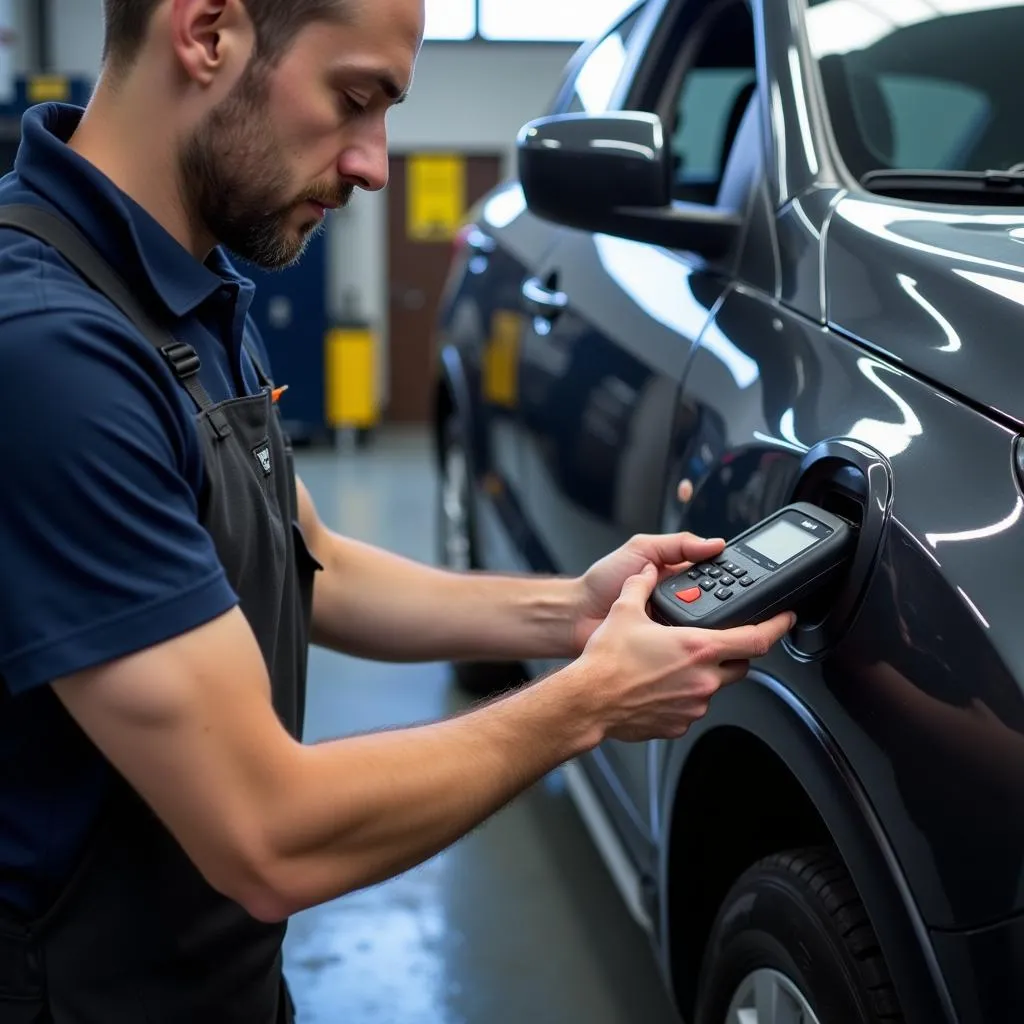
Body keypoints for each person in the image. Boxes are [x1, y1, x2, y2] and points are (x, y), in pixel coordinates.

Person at [0, 0, 795, 1021]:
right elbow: (265, 832)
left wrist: (572, 613)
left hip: (218, 977)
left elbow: (306, 550)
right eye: (354, 99)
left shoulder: (180, 282)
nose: (375, 164)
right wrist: (585, 702)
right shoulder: (49, 351)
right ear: (205, 33)